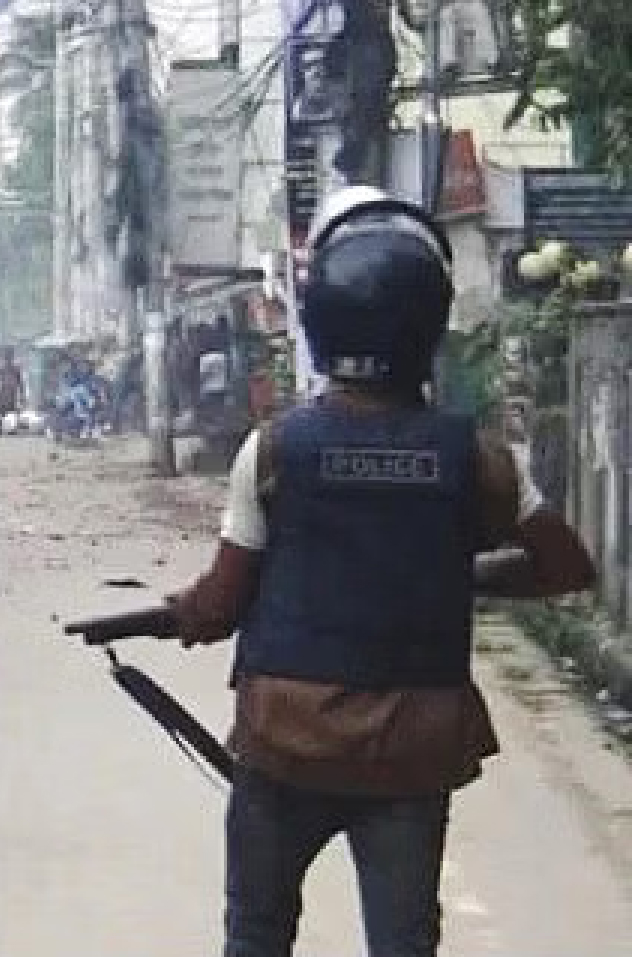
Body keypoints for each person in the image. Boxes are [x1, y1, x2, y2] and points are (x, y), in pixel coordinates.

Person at [79, 187, 596, 957]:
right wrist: (463, 576)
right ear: (430, 325)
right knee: (402, 943)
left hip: (287, 742)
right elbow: (565, 567)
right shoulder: (476, 456)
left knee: (257, 933)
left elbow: (221, 605)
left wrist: (177, 613)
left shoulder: (276, 449)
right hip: (412, 752)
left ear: (319, 323)